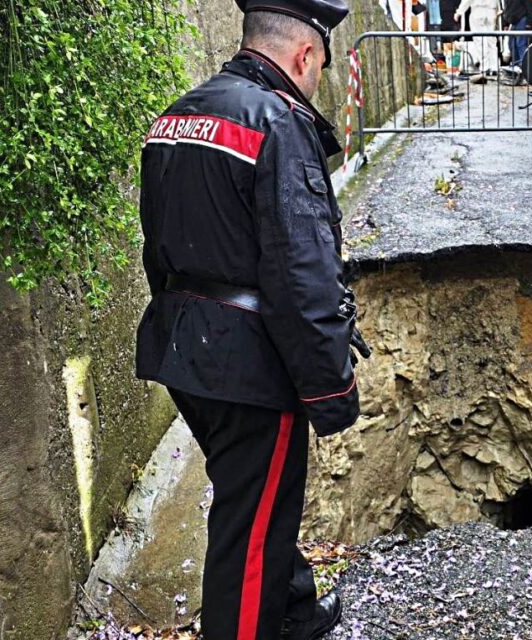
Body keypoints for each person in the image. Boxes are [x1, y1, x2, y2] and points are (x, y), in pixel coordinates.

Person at [135, 0, 365, 638]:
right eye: (320, 65)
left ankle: (293, 613)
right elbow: (302, 274)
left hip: (184, 349)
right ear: (305, 54)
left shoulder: (176, 117)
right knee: (251, 533)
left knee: (254, 497)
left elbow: (157, 244)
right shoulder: (279, 123)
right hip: (252, 367)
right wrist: (332, 387)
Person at [504, 0, 532, 68]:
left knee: (521, 44)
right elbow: (506, 9)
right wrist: (506, 24)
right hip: (513, 21)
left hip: (521, 19)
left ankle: (524, 66)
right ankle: (517, 66)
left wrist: (529, 22)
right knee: (512, 45)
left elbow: (530, 6)